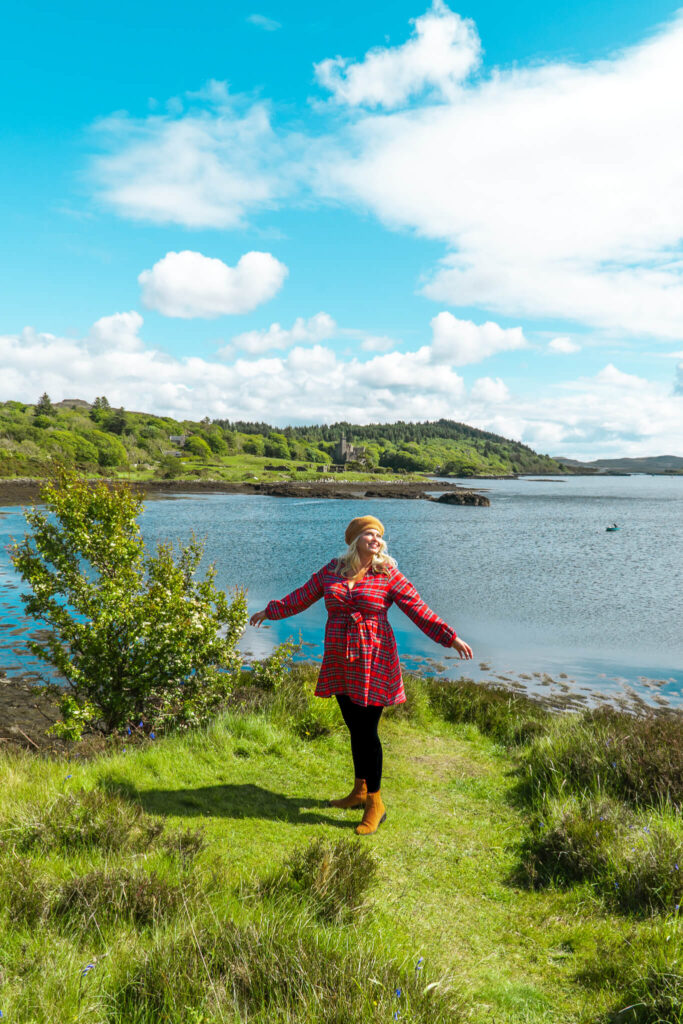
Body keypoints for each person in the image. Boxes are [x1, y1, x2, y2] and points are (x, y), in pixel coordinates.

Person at [249, 515, 473, 836]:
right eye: (370, 534)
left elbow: (418, 609)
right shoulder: (332, 571)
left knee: (368, 732)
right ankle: (359, 790)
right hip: (341, 661)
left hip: (375, 660)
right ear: (355, 540)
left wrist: (449, 637)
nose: (376, 540)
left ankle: (376, 803)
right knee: (355, 728)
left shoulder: (387, 574)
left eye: (379, 536)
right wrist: (270, 611)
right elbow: (301, 596)